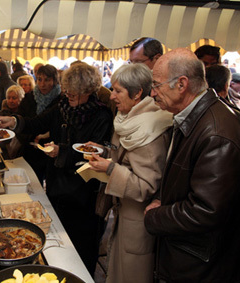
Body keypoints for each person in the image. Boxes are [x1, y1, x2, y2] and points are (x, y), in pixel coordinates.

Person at [0, 62, 113, 276]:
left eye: (74, 93)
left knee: (81, 247)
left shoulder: (102, 116)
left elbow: (96, 154)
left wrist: (63, 151)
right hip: (58, 186)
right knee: (59, 242)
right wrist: (12, 121)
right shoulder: (62, 107)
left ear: (88, 91)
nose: (68, 95)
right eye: (67, 91)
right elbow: (36, 123)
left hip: (84, 194)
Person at [144, 48, 240, 282]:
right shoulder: (194, 118)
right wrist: (164, 199)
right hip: (190, 256)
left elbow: (206, 211)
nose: (152, 92)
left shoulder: (216, 133)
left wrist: (156, 216)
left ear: (182, 84)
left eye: (156, 85)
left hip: (200, 265)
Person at [87, 64, 173, 283]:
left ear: (137, 94)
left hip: (138, 222)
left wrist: (110, 169)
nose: (112, 95)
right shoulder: (129, 120)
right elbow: (124, 156)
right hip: (124, 215)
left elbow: (147, 186)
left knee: (131, 275)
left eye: (118, 91)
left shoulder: (150, 131)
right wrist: (104, 152)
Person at [19, 64, 62, 183]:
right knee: (32, 184)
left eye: (47, 80)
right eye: (39, 79)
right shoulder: (29, 98)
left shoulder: (61, 100)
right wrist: (31, 139)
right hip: (31, 151)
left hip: (53, 153)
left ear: (54, 80)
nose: (42, 84)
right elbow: (21, 123)